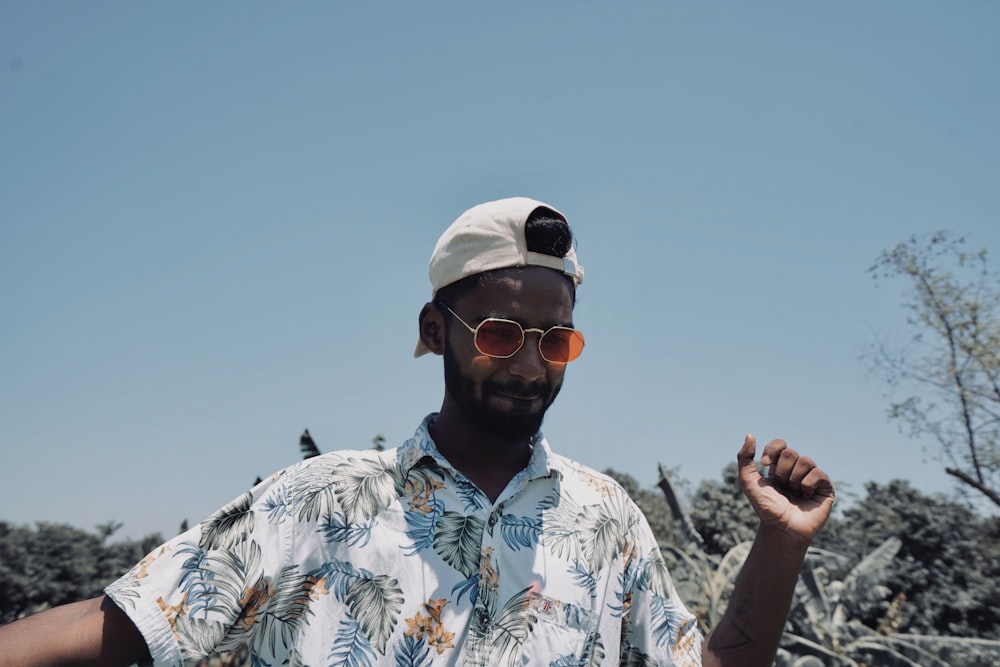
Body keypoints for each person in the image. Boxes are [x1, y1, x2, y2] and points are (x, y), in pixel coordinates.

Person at [0, 197, 835, 666]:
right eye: (501, 332)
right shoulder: (324, 498)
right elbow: (129, 625)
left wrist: (782, 542)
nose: (529, 363)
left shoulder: (606, 519)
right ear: (437, 330)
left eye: (556, 339)